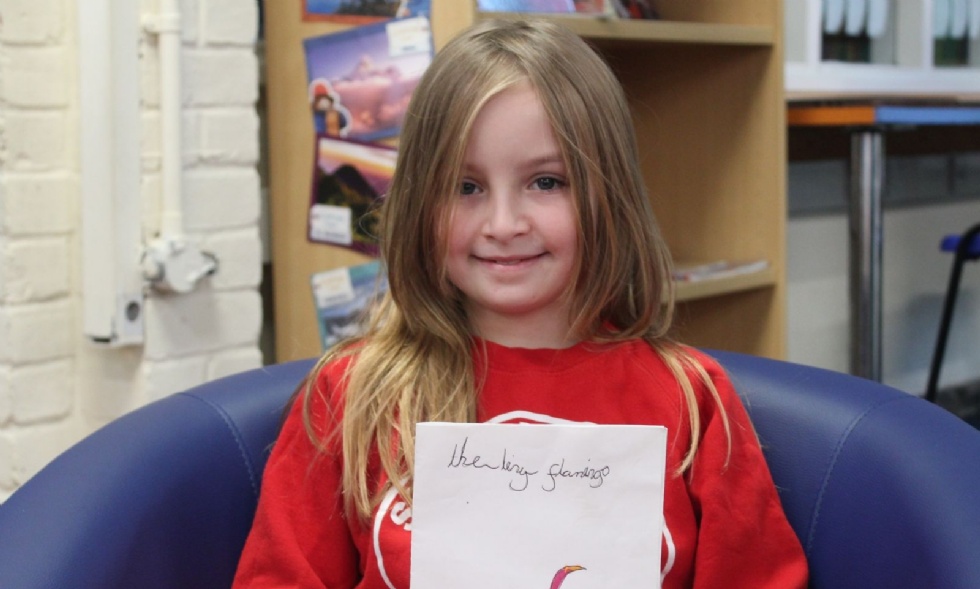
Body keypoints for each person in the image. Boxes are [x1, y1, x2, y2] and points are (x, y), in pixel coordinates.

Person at [233, 18, 808, 589]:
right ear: (418, 205)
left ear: (609, 196)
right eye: (466, 188)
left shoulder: (692, 400)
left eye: (547, 182)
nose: (503, 225)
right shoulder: (350, 398)